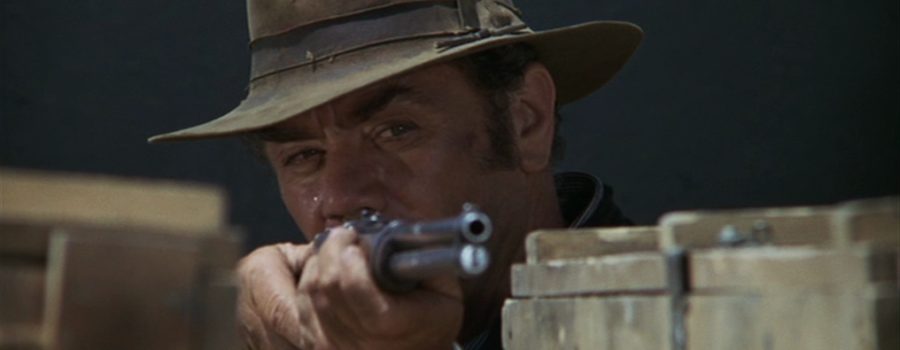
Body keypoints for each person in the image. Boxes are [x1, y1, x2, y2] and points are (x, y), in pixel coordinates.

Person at [150, 0, 642, 348]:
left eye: (395, 130)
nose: (341, 196)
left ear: (526, 120)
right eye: (304, 156)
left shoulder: (674, 312)